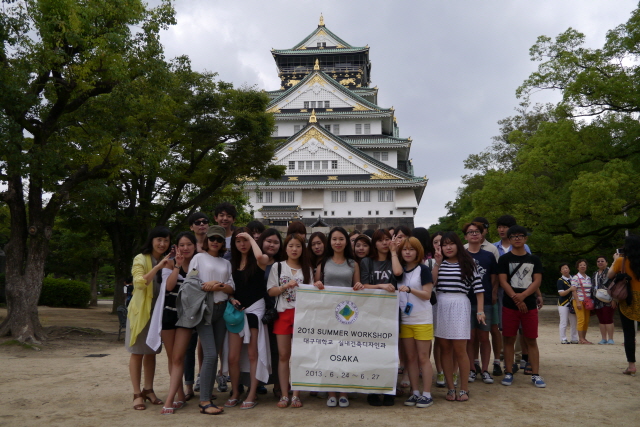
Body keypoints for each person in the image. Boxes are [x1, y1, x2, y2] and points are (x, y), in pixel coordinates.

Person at [158, 232, 209, 414]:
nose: (185, 248)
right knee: (171, 358)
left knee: (179, 357)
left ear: (195, 246)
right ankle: (180, 395)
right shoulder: (170, 263)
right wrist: (177, 266)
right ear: (176, 247)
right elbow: (169, 286)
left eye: (189, 244)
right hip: (169, 312)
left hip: (187, 315)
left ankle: (169, 400)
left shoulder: (199, 264)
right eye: (182, 245)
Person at [432, 232, 484, 402]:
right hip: (441, 304)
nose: (448, 247)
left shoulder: (469, 263)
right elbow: (432, 283)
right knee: (445, 348)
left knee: (460, 349)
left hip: (460, 304)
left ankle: (464, 388)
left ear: (458, 245)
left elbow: (479, 290)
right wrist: (437, 264)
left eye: (451, 243)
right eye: (444, 244)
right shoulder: (439, 263)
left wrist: (480, 311)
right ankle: (450, 388)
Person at [314, 226, 362, 408]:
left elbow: (357, 286)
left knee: (345, 353)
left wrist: (359, 286)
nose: (338, 242)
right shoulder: (323, 263)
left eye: (341, 239)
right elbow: (316, 285)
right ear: (330, 242)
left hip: (346, 315)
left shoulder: (353, 264)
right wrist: (317, 284)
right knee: (329, 352)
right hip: (327, 313)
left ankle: (343, 392)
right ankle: (331, 392)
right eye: (334, 239)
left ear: (346, 241)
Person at [225, 228, 270, 410]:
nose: (242, 244)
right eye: (238, 241)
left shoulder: (259, 260)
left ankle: (252, 393)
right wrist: (231, 299)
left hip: (255, 310)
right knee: (233, 357)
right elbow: (230, 288)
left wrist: (250, 237)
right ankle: (236, 391)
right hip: (237, 311)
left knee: (253, 355)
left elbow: (260, 257)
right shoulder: (232, 263)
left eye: (245, 240)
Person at [127, 226, 171, 411]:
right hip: (141, 312)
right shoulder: (141, 258)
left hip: (157, 313)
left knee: (151, 352)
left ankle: (148, 389)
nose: (162, 244)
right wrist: (158, 267)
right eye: (159, 239)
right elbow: (139, 283)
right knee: (137, 352)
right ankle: (137, 393)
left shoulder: (169, 260)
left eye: (166, 240)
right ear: (151, 240)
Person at [267, 233, 314, 408]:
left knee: (299, 356)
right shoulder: (278, 267)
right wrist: (285, 286)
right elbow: (271, 291)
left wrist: (317, 286)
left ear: (303, 249)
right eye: (291, 245)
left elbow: (313, 294)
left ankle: (296, 394)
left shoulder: (308, 269)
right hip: (282, 315)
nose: (294, 249)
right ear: (285, 248)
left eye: (298, 246)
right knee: (283, 356)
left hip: (302, 316)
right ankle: (284, 394)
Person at [498, 225, 545, 388]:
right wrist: (517, 299)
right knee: (508, 338)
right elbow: (503, 281)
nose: (517, 238)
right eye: (513, 236)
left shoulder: (534, 260)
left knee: (531, 339)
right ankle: (509, 371)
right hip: (509, 305)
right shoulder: (504, 259)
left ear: (525, 238)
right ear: (509, 239)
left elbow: (537, 281)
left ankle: (535, 374)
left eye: (520, 236)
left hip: (530, 304)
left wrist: (523, 296)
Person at [390, 237, 435, 409]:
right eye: (404, 249)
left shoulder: (423, 269)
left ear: (418, 252)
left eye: (411, 249)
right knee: (410, 358)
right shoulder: (400, 270)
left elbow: (427, 295)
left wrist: (410, 290)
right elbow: (396, 273)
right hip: (405, 319)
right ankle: (415, 391)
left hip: (422, 319)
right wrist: (393, 251)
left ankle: (427, 394)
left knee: (423, 357)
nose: (408, 252)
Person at [463, 222, 498, 385]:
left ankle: (485, 370)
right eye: (470, 232)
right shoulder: (462, 255)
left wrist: (493, 294)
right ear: (465, 236)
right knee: (470, 337)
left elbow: (493, 278)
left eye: (477, 231)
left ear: (482, 234)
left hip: (486, 301)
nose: (474, 234)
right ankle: (471, 368)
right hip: (466, 301)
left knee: (484, 336)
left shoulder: (489, 255)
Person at [257, 228, 285, 398]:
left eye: (276, 242)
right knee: (256, 349)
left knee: (276, 350)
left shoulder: (282, 264)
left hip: (275, 312)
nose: (272, 245)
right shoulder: (255, 261)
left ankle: (278, 385)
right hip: (256, 311)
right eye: (269, 241)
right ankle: (256, 384)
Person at [607, 235, 640, 376]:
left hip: (628, 299)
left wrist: (615, 260)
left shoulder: (622, 261)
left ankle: (631, 365)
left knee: (629, 333)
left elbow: (609, 275)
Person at [593, 256, 616, 344]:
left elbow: (615, 286)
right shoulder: (595, 273)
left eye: (602, 261)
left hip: (608, 299)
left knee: (608, 319)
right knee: (601, 320)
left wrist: (614, 299)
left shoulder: (611, 272)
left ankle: (610, 338)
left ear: (606, 262)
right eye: (598, 261)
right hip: (597, 299)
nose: (600, 262)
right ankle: (603, 338)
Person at [571, 259, 594, 344]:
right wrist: (577, 302)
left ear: (586, 267)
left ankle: (584, 338)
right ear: (577, 267)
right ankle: (581, 339)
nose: (582, 266)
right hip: (579, 301)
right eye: (580, 265)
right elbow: (574, 290)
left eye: (584, 265)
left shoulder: (588, 278)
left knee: (586, 320)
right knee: (581, 320)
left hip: (587, 302)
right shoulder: (576, 277)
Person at [557, 263, 578, 344]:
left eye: (566, 268)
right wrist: (570, 289)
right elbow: (561, 293)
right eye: (563, 269)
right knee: (564, 322)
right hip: (563, 304)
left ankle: (574, 338)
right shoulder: (560, 280)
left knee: (574, 322)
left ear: (569, 269)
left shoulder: (574, 278)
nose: (565, 270)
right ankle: (563, 338)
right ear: (561, 271)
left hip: (573, 303)